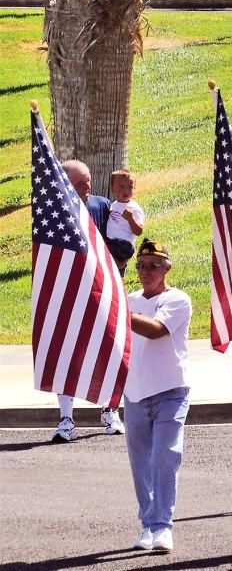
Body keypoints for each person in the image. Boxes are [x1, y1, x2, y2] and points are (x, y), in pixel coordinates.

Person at [124, 240, 192, 554]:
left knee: (165, 458)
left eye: (154, 265)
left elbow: (155, 330)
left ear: (167, 268)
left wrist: (118, 313)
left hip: (170, 391)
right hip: (135, 392)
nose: (146, 270)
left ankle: (163, 526)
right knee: (141, 465)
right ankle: (147, 525)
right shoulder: (129, 300)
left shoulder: (177, 299)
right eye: (141, 265)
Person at [53, 160, 119, 442]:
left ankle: (109, 410)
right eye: (80, 184)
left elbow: (116, 241)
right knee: (66, 354)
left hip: (100, 289)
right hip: (68, 291)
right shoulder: (54, 209)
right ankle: (66, 418)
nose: (87, 187)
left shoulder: (101, 205)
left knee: (107, 349)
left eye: (88, 181)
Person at [104, 168, 145, 275]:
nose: (126, 191)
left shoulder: (134, 208)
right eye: (121, 187)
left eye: (130, 187)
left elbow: (139, 231)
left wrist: (130, 219)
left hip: (123, 245)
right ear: (112, 189)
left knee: (108, 264)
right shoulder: (114, 205)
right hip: (112, 242)